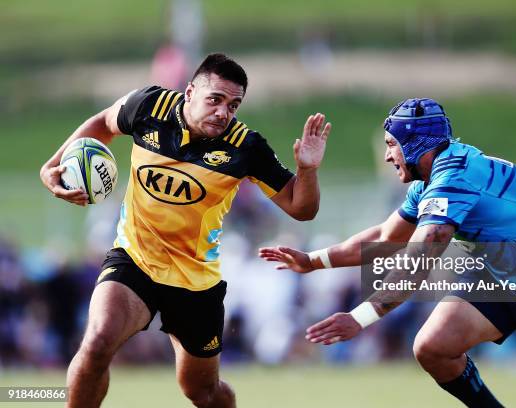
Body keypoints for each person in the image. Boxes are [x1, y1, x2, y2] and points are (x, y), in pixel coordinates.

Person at [259, 98, 516, 408]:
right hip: (501, 273)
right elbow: (386, 236)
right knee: (433, 347)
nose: (389, 156)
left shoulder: (453, 179)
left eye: (392, 145)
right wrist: (313, 260)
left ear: (416, 143)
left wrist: (359, 317)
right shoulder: (432, 180)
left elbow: (418, 260)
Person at [40, 53, 331, 408]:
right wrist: (53, 166)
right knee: (98, 341)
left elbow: (302, 209)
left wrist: (308, 170)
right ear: (190, 91)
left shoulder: (246, 148)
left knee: (203, 393)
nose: (224, 112)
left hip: (195, 282)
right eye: (216, 99)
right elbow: (103, 122)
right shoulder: (148, 106)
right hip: (135, 260)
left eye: (234, 105)